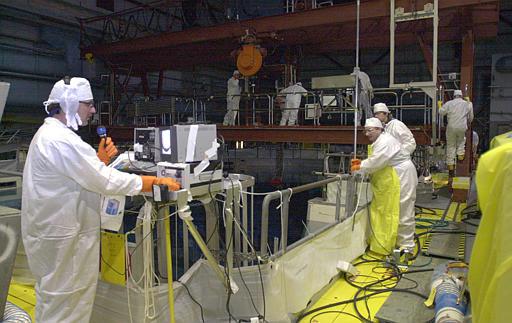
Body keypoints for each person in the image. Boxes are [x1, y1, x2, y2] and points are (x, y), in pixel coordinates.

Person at [21, 77, 180, 323]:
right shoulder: (60, 140)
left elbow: (80, 176)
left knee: (55, 302)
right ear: (70, 104)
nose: (93, 110)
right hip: (66, 244)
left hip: (53, 239)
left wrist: (99, 160)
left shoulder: (50, 135)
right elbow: (105, 181)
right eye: (88, 104)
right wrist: (152, 182)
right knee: (68, 307)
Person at [351, 118, 418, 254]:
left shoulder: (385, 141)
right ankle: (396, 242)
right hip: (396, 175)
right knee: (395, 209)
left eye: (370, 130)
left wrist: (359, 166)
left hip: (402, 175)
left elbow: (376, 162)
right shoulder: (381, 140)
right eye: (365, 131)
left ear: (378, 129)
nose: (367, 134)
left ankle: (407, 246)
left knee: (404, 209)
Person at [439, 89, 474, 170]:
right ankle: (460, 154)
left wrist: (440, 105)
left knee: (451, 145)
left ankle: (450, 164)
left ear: (453, 96)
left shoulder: (449, 103)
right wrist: (469, 121)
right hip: (462, 127)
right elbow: (471, 117)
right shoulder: (467, 104)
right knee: (461, 140)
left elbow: (441, 112)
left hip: (451, 127)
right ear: (461, 96)